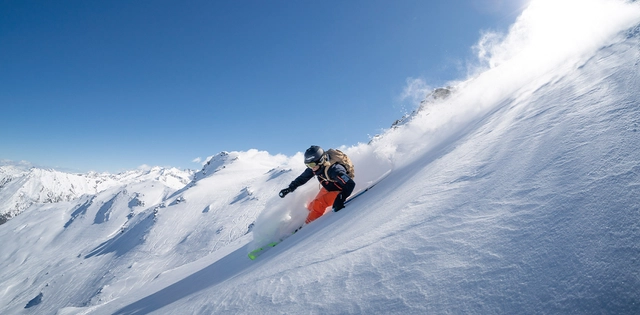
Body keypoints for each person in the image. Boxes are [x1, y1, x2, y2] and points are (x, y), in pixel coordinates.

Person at [279, 145, 356, 224]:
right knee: (311, 205)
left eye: (312, 165)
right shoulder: (315, 167)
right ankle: (305, 218)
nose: (311, 168)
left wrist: (340, 199)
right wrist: (290, 188)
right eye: (308, 165)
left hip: (341, 189)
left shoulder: (335, 170)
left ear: (321, 161)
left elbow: (350, 184)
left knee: (318, 204)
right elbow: (302, 178)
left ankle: (307, 226)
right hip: (330, 185)